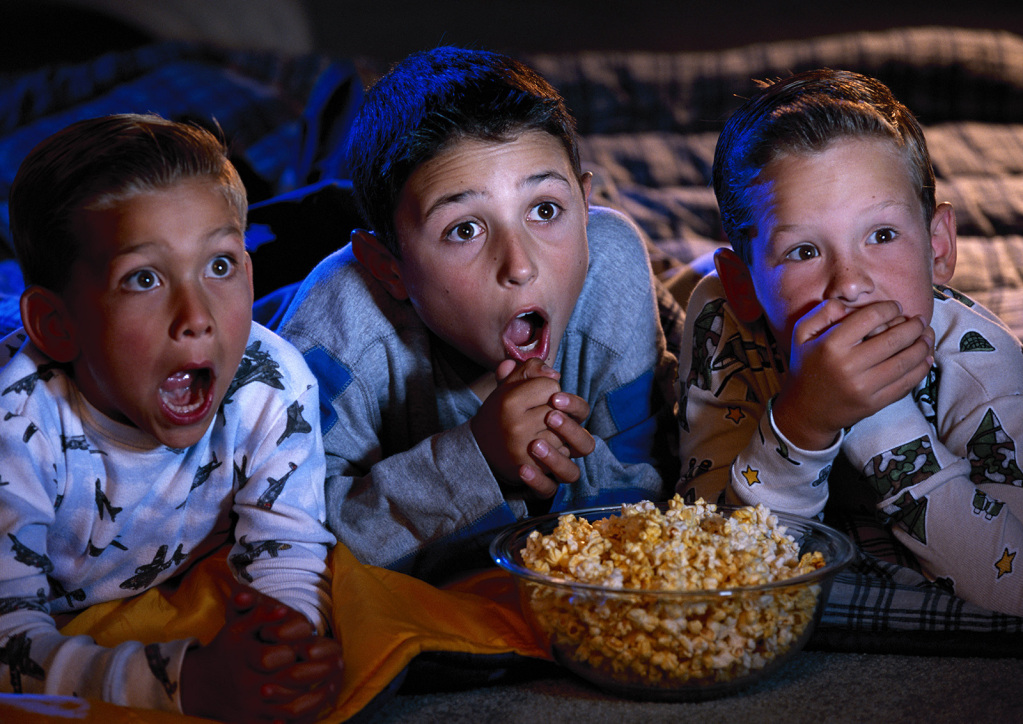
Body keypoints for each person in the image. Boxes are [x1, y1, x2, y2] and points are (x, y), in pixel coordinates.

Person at [277, 46, 679, 581]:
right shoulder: (335, 335)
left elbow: (643, 493)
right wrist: (476, 460)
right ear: (390, 266)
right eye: (464, 228)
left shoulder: (611, 262)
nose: (520, 266)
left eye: (544, 210)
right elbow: (288, 549)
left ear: (584, 210)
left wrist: (547, 468)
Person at [0, 114, 344, 721]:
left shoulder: (271, 384)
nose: (197, 316)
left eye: (219, 265)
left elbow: (287, 550)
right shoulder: (17, 423)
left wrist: (284, 651)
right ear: (55, 325)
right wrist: (177, 684)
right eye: (143, 278)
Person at [676, 68, 1023, 616]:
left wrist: (881, 421)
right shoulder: (725, 320)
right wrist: (802, 424)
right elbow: (713, 555)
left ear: (938, 247)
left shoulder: (984, 374)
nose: (851, 284)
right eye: (804, 251)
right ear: (744, 285)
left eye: (882, 235)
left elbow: (1013, 585)